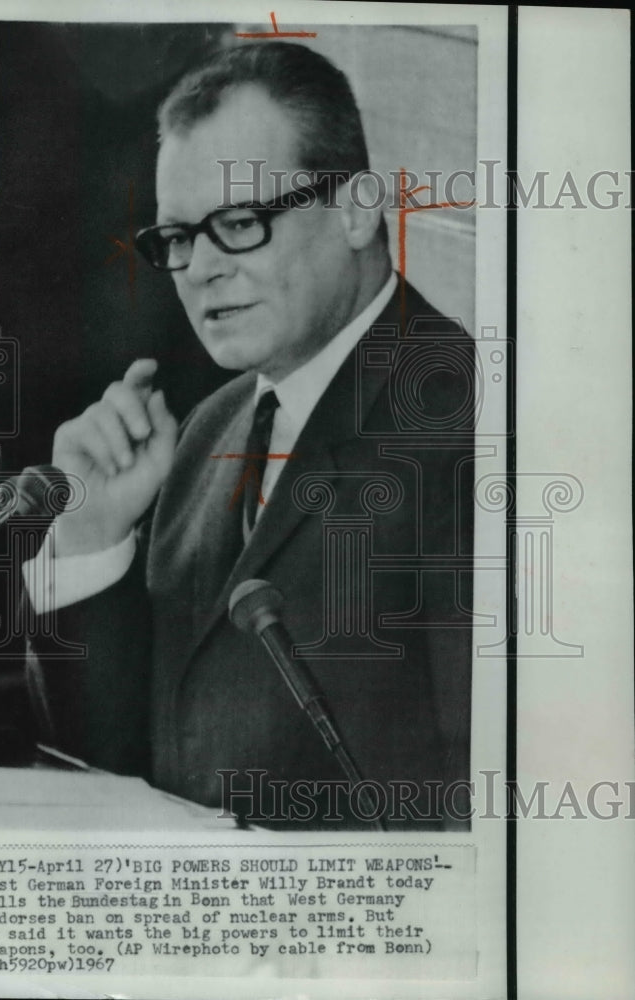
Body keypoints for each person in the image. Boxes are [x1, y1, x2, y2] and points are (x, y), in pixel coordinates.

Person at [25, 41, 475, 830]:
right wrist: (92, 536)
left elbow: (486, 806)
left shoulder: (467, 420)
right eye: (176, 238)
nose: (199, 268)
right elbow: (121, 772)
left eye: (237, 222)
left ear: (355, 208)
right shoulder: (208, 431)